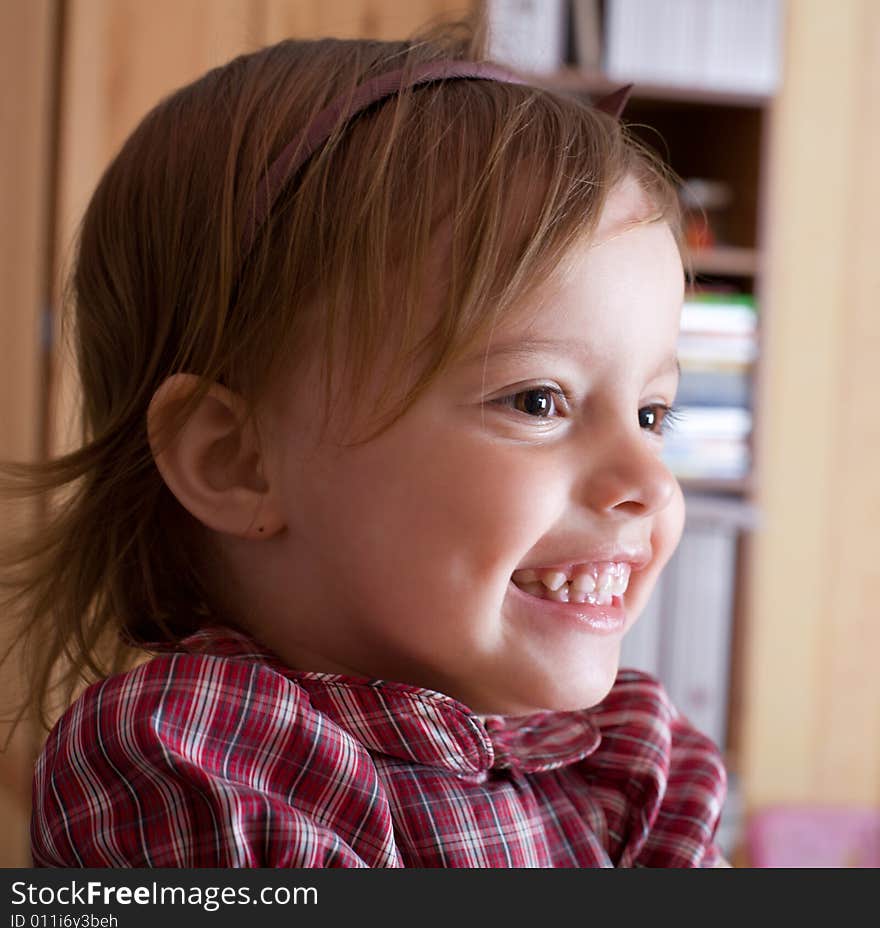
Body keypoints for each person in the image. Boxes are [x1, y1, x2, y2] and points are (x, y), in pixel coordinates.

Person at [1, 15, 727, 867]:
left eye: (652, 414)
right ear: (235, 461)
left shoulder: (635, 760)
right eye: (538, 400)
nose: (647, 480)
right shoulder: (189, 757)